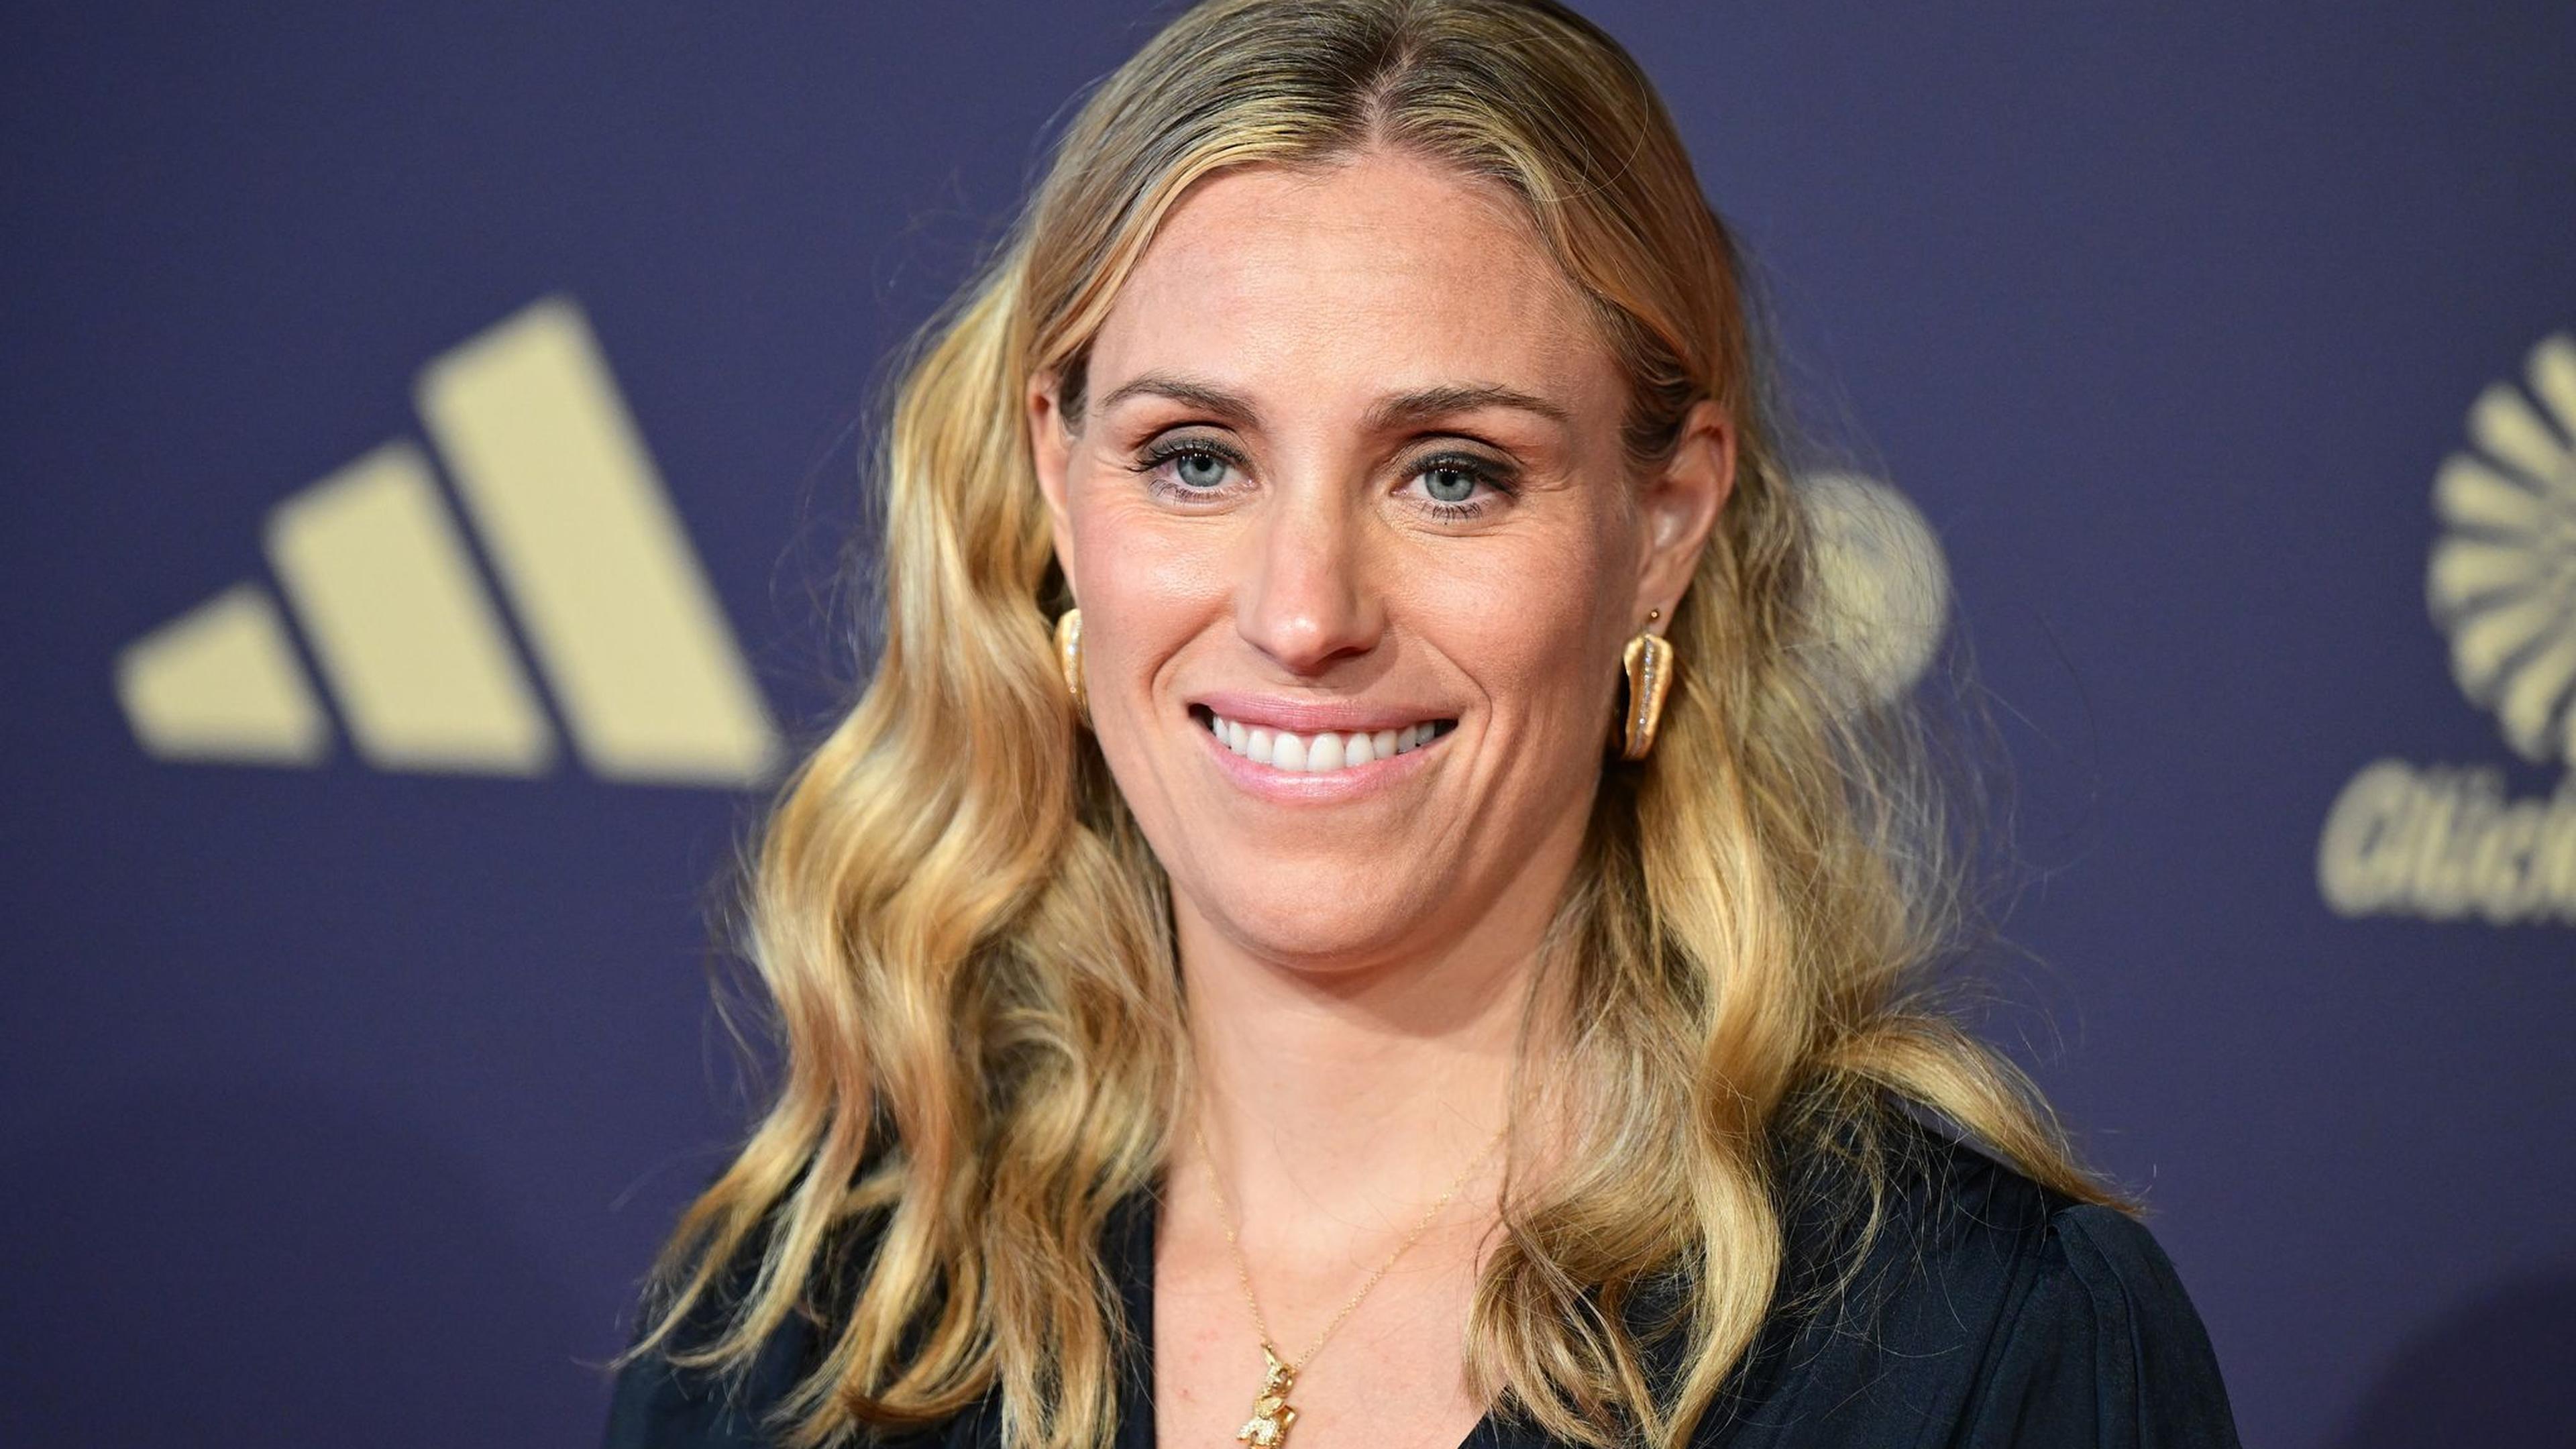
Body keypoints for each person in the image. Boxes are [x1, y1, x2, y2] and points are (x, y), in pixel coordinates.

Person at [602, 1, 2241, 1445]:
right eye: (1196, 459)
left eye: (1452, 475)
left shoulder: (1984, 1350)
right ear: (1059, 477)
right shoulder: (804, 1336)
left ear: (1664, 528)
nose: (1305, 612)